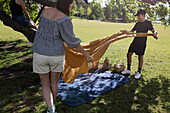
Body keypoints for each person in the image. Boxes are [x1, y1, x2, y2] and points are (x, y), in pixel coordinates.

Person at [31, 0, 93, 113]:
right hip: (56, 55)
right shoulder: (65, 19)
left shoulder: (45, 10)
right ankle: (52, 106)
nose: (71, 8)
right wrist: (86, 54)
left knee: (45, 84)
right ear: (66, 4)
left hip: (39, 53)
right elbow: (72, 42)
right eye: (71, 6)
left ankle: (50, 107)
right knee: (54, 82)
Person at [121, 9, 158, 79]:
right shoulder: (137, 23)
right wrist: (126, 32)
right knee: (129, 54)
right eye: (137, 16)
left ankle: (139, 72)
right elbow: (132, 31)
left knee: (140, 57)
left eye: (139, 15)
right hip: (135, 41)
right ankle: (128, 69)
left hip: (142, 42)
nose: (138, 17)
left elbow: (153, 30)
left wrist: (155, 33)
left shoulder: (148, 23)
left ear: (143, 15)